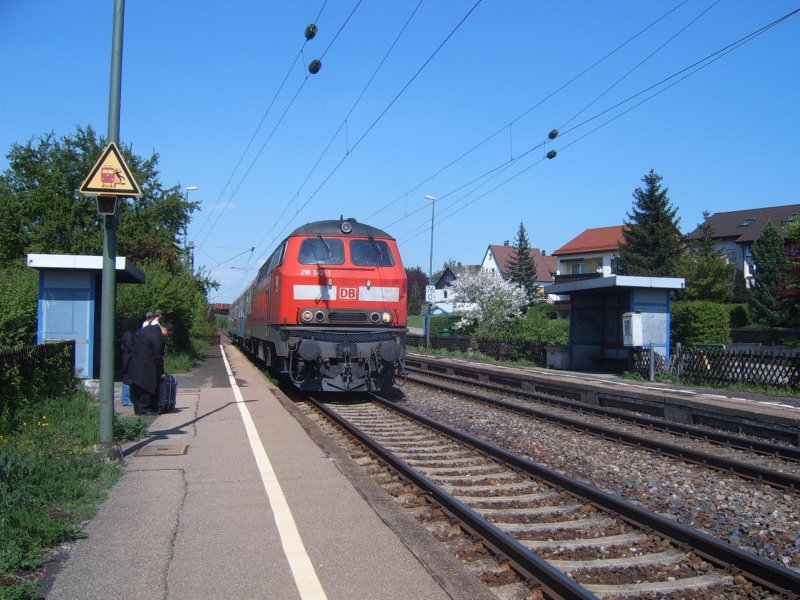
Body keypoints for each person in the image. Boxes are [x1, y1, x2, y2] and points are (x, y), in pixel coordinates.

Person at [130, 318, 168, 416]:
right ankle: (145, 409)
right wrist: (161, 373)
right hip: (147, 364)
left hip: (136, 362)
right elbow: (158, 357)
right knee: (148, 385)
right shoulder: (157, 337)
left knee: (138, 386)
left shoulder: (147, 330)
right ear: (165, 330)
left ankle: (138, 409)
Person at [120, 316, 139, 407]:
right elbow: (130, 346)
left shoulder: (131, 333)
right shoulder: (128, 334)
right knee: (127, 380)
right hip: (129, 359)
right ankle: (126, 399)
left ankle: (129, 399)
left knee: (130, 379)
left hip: (131, 359)